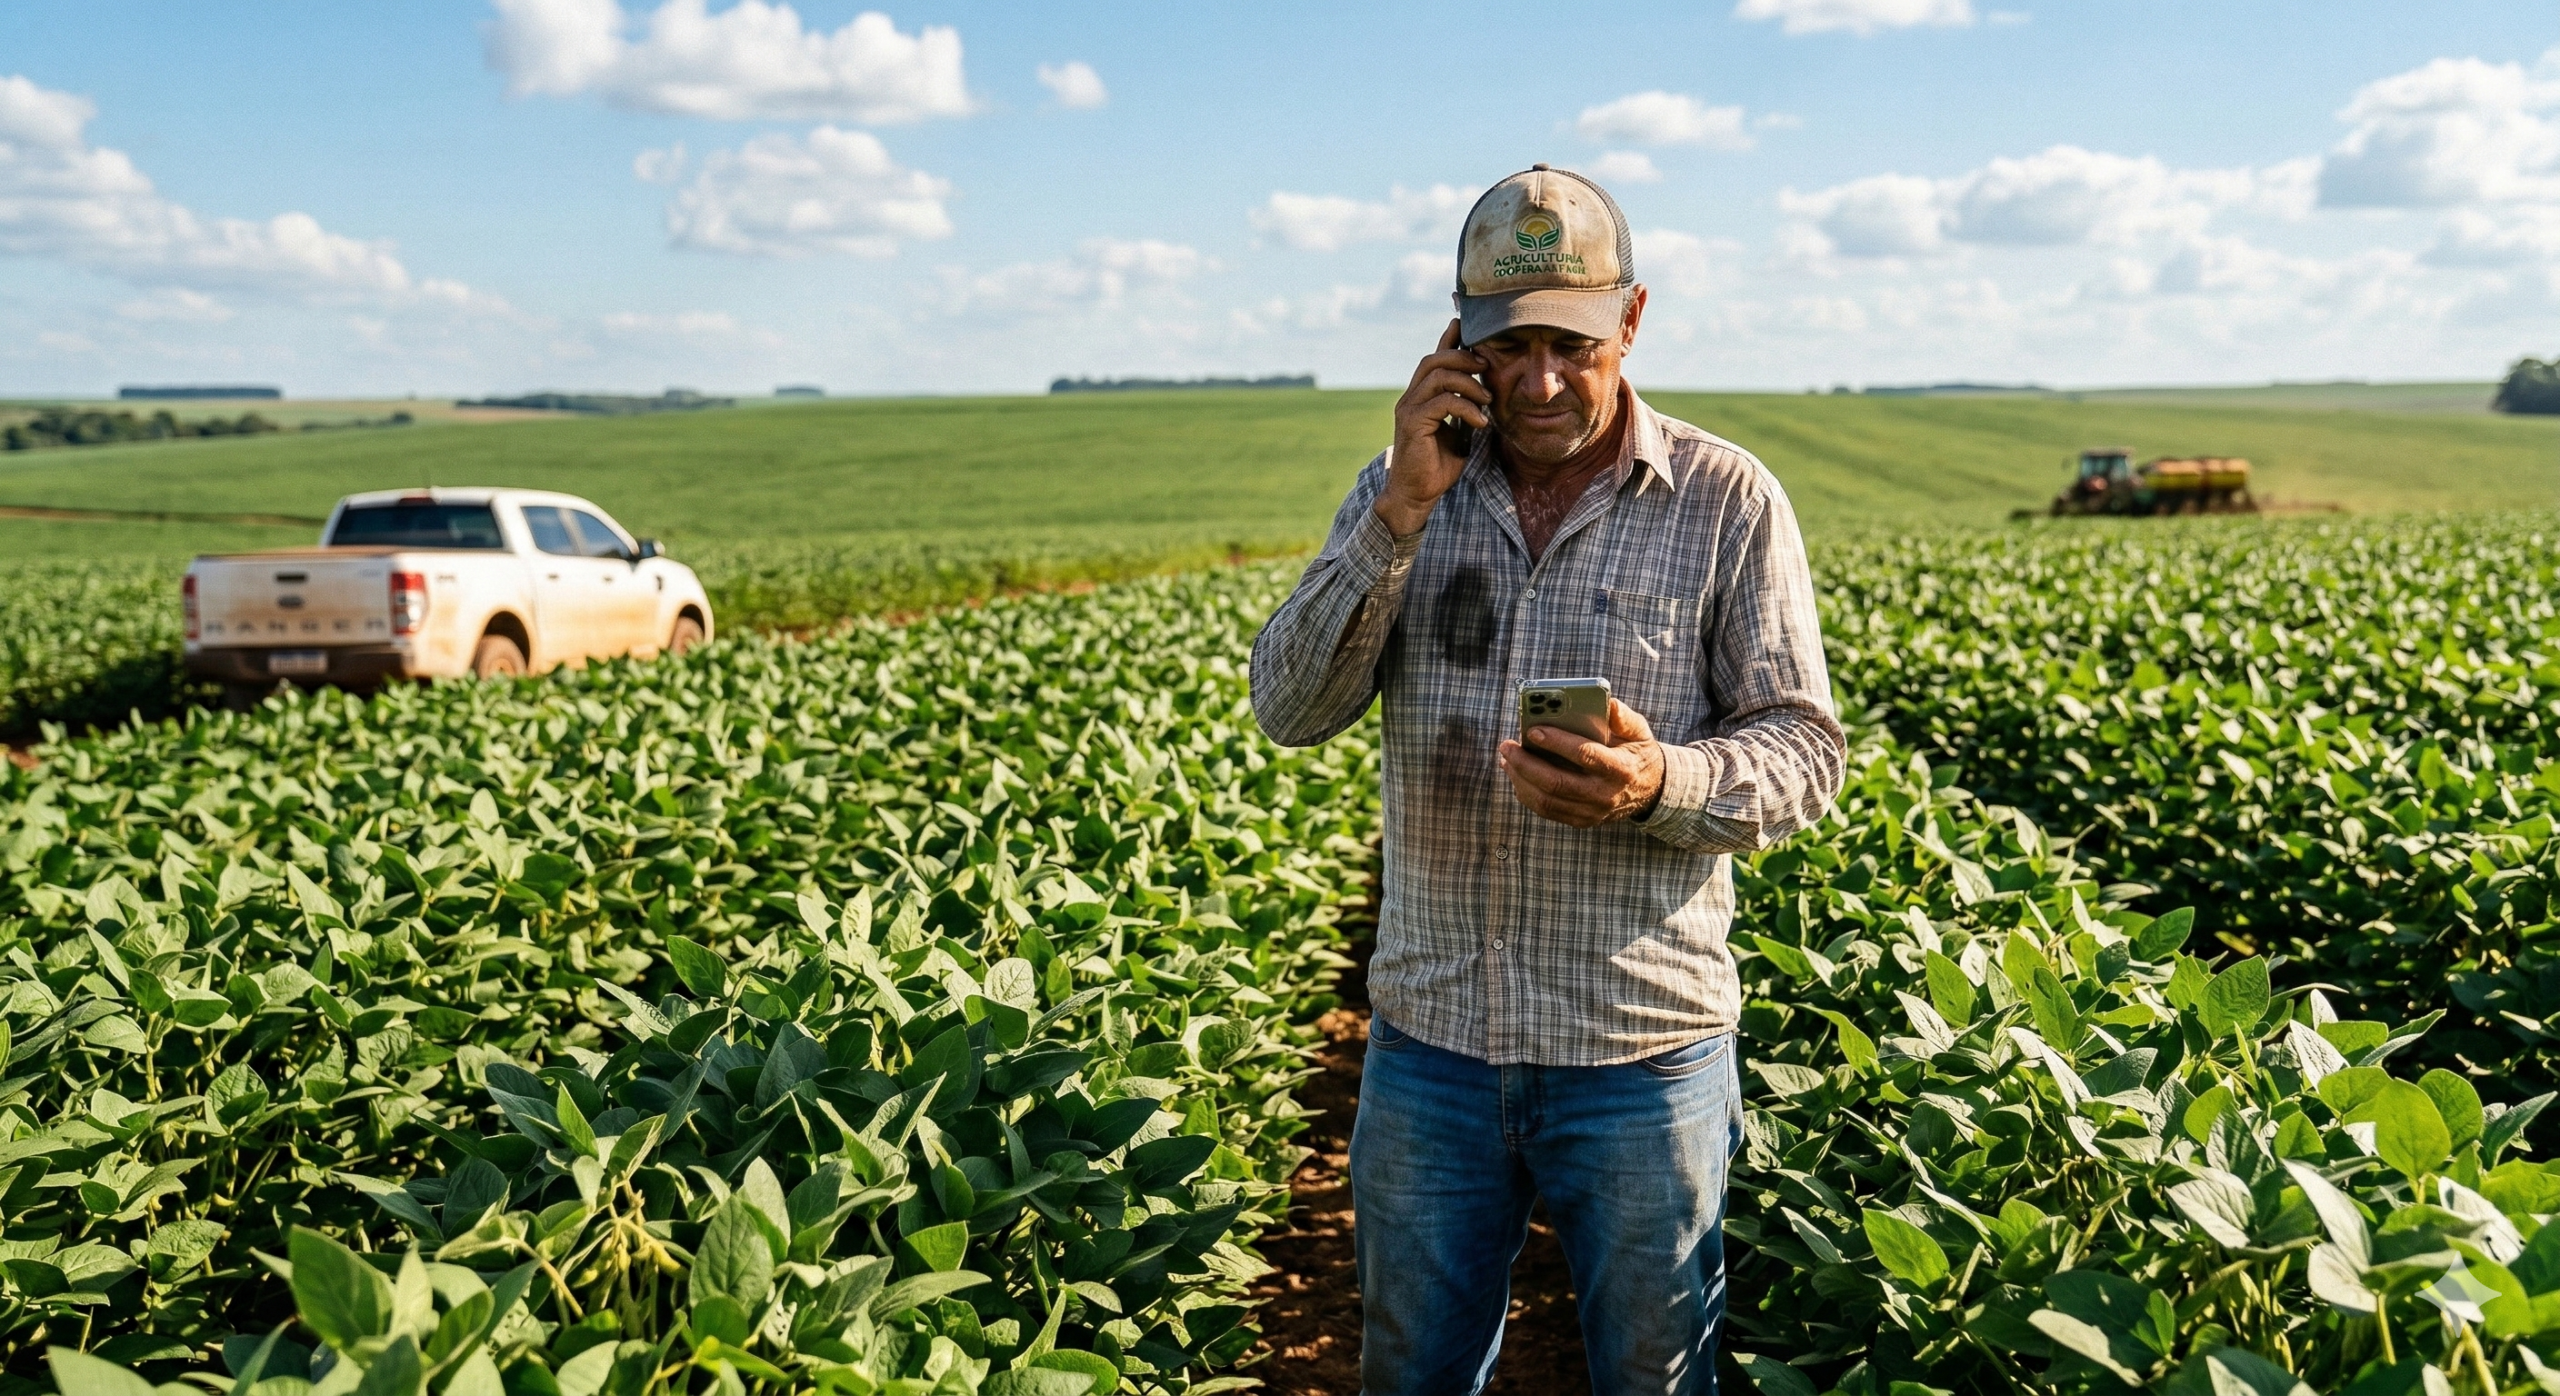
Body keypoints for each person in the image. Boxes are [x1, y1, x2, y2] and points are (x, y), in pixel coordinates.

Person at [1247, 164, 1847, 1396]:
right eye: (1505, 344)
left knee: (1654, 1376)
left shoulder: (1725, 501)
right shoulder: (1406, 492)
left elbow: (1803, 752)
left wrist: (1657, 782)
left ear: (1629, 321)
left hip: (1640, 1049)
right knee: (1413, 1375)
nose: (1535, 380)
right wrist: (1397, 515)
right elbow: (1290, 709)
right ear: (1455, 337)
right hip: (1431, 1048)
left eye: (1569, 345)